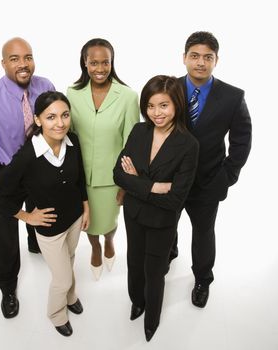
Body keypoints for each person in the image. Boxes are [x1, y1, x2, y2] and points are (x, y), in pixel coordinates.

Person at [0, 37, 55, 318]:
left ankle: (34, 240)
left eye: (27, 57)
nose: (23, 64)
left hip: (39, 164)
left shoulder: (45, 86)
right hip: (7, 172)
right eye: (15, 59)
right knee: (5, 231)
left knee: (41, 208)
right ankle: (7, 286)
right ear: (3, 63)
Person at [0, 91, 89, 337]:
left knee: (70, 260)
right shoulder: (26, 157)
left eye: (65, 115)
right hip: (50, 229)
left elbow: (80, 178)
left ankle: (70, 296)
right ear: (38, 120)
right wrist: (27, 217)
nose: (60, 123)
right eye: (51, 117)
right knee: (62, 278)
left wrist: (86, 207)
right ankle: (56, 314)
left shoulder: (72, 141)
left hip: (75, 218)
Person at [113, 75, 199, 342]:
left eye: (163, 105)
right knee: (134, 262)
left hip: (163, 220)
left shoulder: (188, 145)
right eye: (150, 106)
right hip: (134, 214)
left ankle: (152, 318)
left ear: (176, 105)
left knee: (155, 269)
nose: (156, 113)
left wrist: (137, 182)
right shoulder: (139, 131)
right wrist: (155, 186)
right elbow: (118, 174)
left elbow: (175, 199)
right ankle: (136, 301)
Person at [170, 31, 252, 308]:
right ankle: (170, 251)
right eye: (194, 56)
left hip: (208, 181)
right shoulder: (168, 89)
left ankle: (203, 278)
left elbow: (242, 139)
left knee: (204, 233)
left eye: (208, 57)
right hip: (170, 179)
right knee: (166, 224)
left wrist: (227, 176)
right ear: (184, 58)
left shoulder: (231, 96)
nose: (200, 63)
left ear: (216, 60)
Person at [67, 38, 140, 280]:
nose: (100, 68)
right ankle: (95, 247)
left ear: (112, 63)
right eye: (94, 62)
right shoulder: (72, 94)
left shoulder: (128, 97)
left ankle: (108, 242)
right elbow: (69, 136)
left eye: (105, 62)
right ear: (85, 63)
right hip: (81, 176)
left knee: (108, 222)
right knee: (89, 223)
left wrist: (126, 185)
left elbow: (132, 143)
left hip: (112, 177)